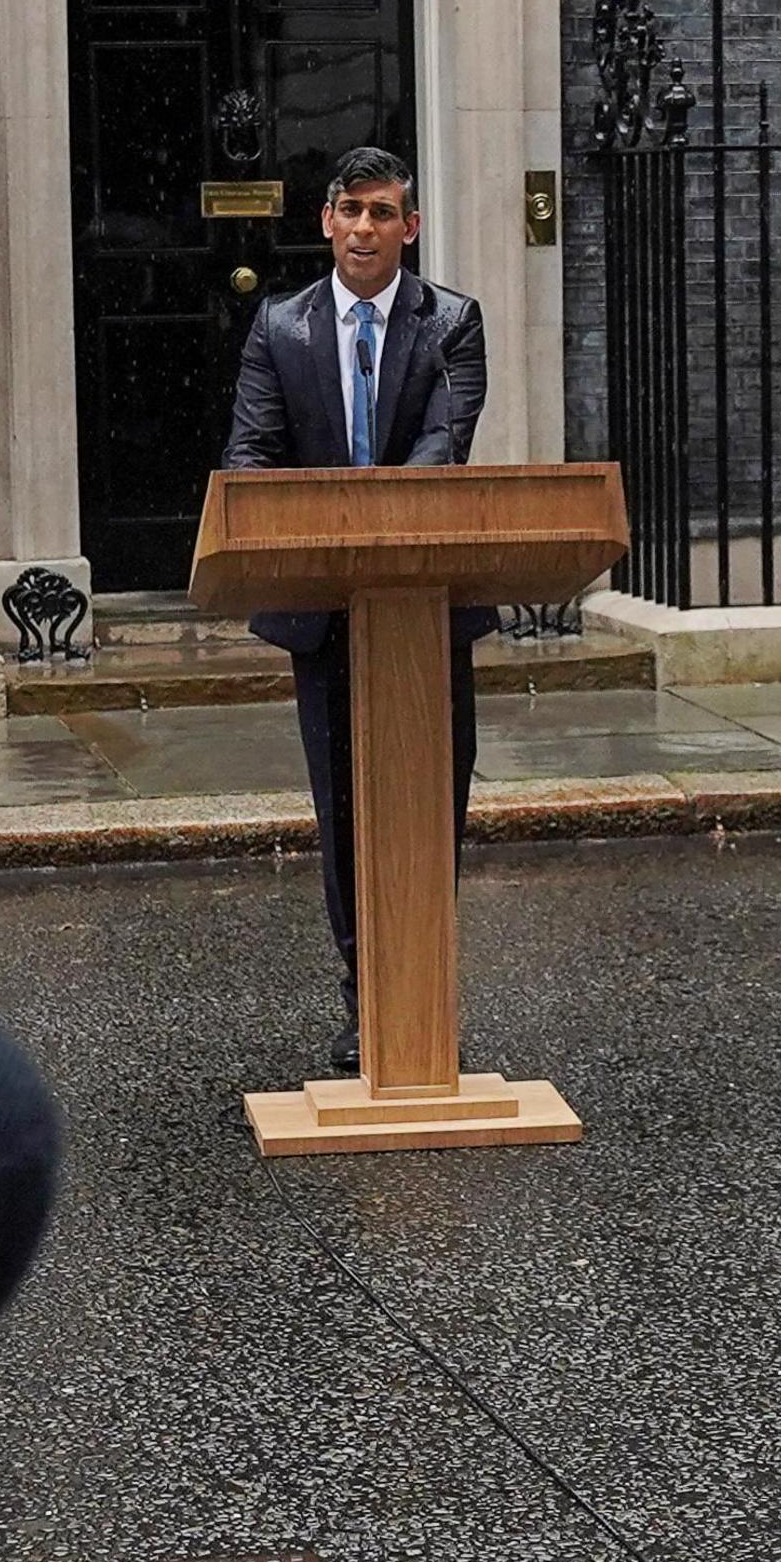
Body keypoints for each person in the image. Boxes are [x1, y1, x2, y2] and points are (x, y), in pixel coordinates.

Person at [222, 145, 490, 1076]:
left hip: (423, 608)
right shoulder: (281, 327)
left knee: (429, 800)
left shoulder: (452, 322)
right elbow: (251, 457)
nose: (366, 228)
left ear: (410, 227)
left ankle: (419, 983)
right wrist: (314, 540)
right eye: (351, 211)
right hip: (324, 615)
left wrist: (371, 528)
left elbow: (442, 444)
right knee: (342, 809)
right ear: (326, 222)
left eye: (384, 212)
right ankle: (362, 998)